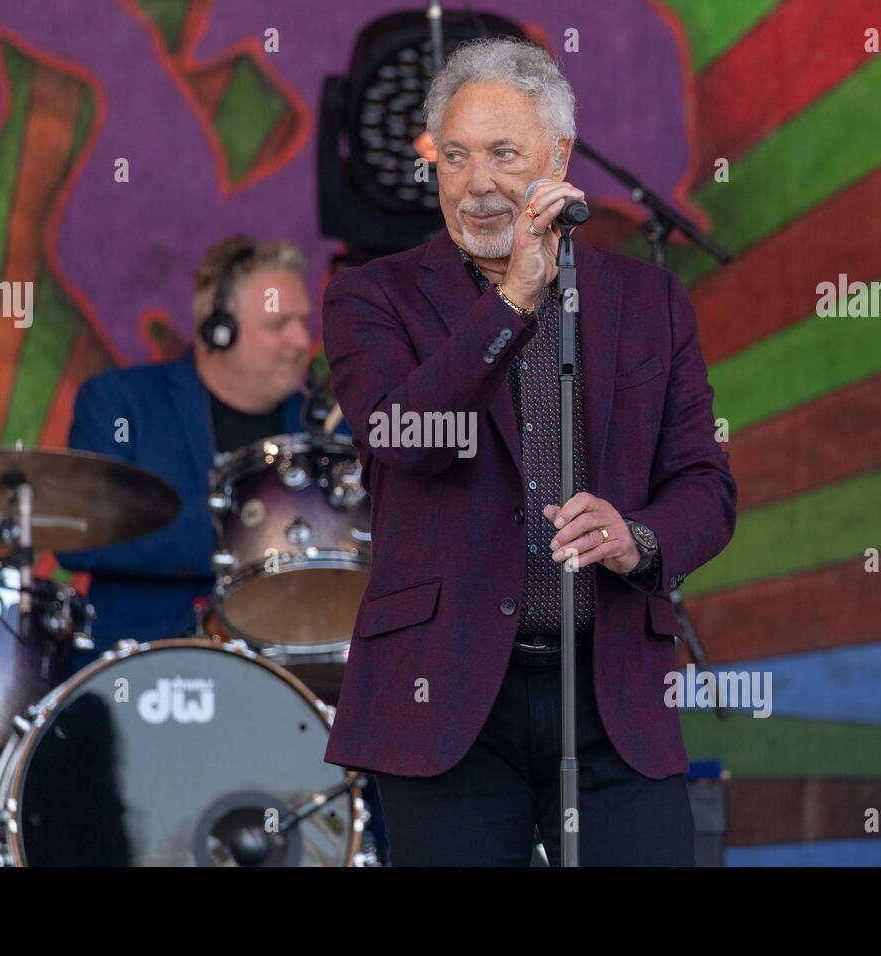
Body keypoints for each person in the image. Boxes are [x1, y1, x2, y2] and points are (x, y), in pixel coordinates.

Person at [321, 38, 737, 866]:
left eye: (504, 155)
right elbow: (407, 440)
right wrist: (515, 296)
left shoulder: (649, 299)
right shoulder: (373, 295)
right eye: (455, 157)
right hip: (443, 701)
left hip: (610, 694)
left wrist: (638, 537)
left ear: (560, 157)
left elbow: (704, 484)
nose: (477, 183)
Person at [56, 236, 316, 660]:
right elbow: (79, 533)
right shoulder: (121, 402)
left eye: (304, 322)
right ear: (219, 330)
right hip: (143, 670)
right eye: (278, 324)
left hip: (291, 677)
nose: (301, 340)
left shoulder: (322, 427)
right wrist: (245, 532)